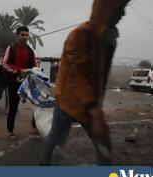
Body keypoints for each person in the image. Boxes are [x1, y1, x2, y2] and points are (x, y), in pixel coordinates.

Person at [40, 0, 131, 165]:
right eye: (120, 9)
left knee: (101, 140)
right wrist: (95, 110)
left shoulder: (107, 36)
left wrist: (97, 104)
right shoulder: (81, 34)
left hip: (88, 102)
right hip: (69, 100)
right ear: (107, 10)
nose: (123, 14)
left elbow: (98, 75)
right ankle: (43, 164)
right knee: (55, 135)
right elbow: (78, 74)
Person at [2, 26, 39, 140]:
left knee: (37, 102)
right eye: (22, 34)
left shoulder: (30, 50)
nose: (25, 37)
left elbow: (34, 65)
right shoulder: (11, 48)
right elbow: (5, 64)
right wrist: (19, 71)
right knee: (13, 107)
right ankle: (10, 131)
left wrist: (35, 72)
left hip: (28, 82)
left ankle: (34, 127)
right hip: (13, 83)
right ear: (17, 35)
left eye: (27, 35)